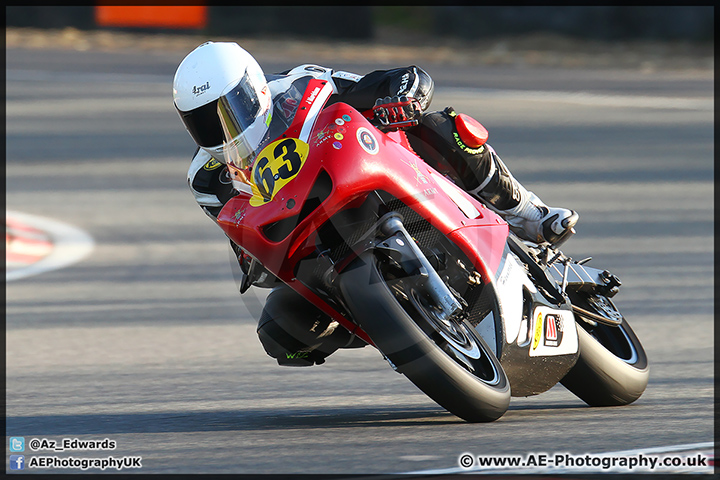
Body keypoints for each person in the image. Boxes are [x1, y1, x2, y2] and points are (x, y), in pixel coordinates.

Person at [173, 41, 579, 366]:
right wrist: (252, 259)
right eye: (205, 120)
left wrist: (401, 94)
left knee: (443, 128)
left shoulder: (302, 86)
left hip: (367, 175)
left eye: (228, 110)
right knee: (279, 329)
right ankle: (393, 327)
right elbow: (240, 232)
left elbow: (384, 84)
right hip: (312, 246)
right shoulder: (206, 178)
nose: (222, 128)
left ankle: (528, 214)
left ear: (255, 87)